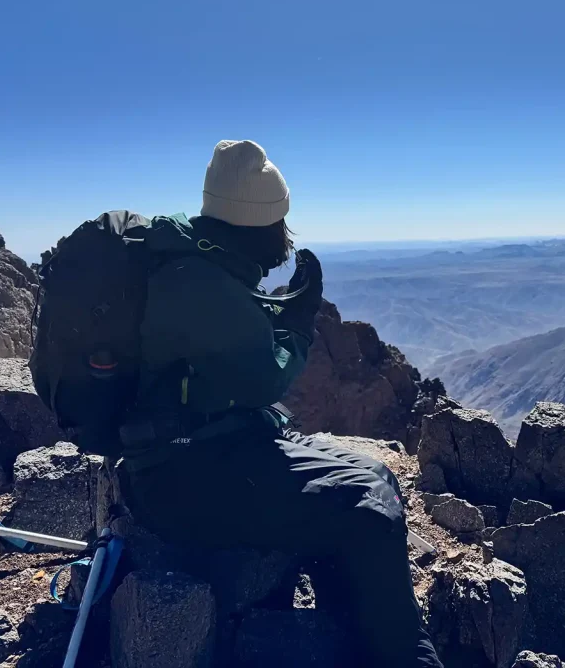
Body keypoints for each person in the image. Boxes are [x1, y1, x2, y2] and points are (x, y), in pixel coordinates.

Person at [116, 140, 442, 668]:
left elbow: (221, 358)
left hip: (195, 453)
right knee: (370, 514)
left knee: (377, 476)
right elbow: (265, 379)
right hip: (182, 480)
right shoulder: (200, 284)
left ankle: (350, 634)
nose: (285, 238)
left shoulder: (196, 263)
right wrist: (298, 319)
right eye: (280, 223)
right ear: (260, 223)